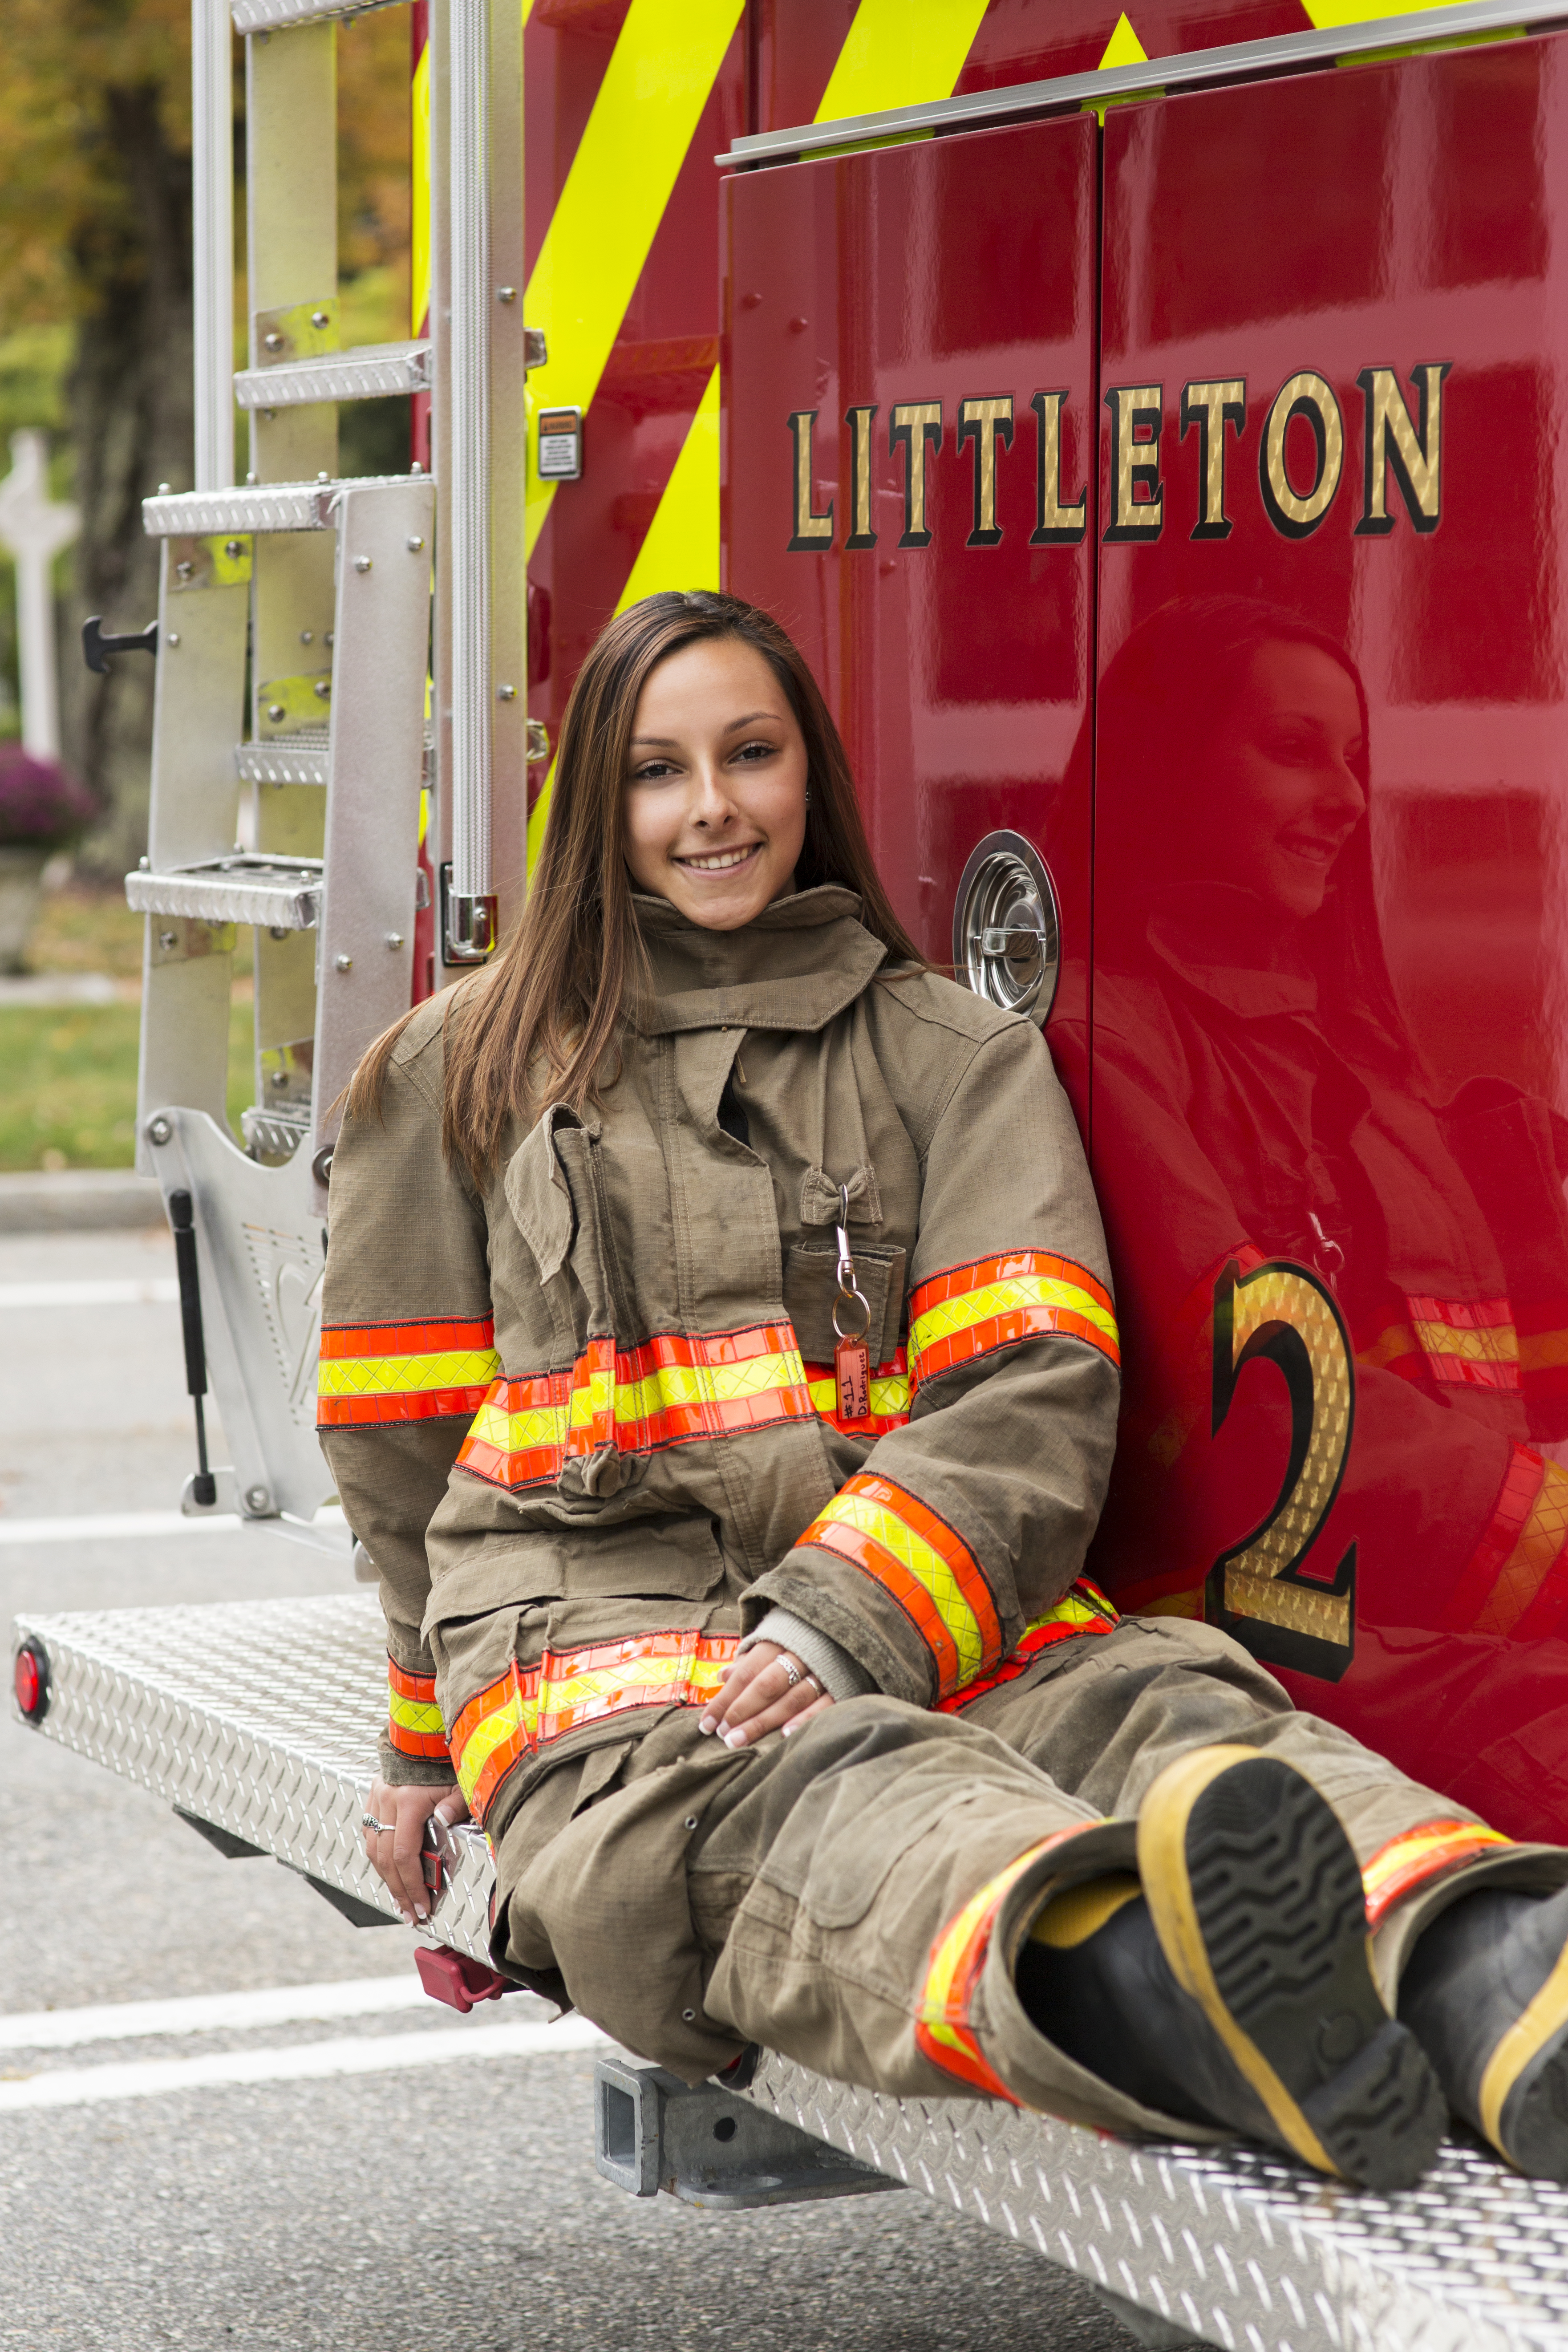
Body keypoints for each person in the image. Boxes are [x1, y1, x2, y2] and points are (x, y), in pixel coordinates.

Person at [322, 589, 1568, 2194]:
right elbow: (403, 1461)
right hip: (614, 1675)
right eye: (659, 769)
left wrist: (846, 1614)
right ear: (601, 810)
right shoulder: (455, 1066)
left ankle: (1504, 1982)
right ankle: (1191, 2006)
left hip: (939, 1604)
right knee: (863, 1812)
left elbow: (1027, 1388)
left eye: (750, 755)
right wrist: (425, 1749)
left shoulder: (952, 1053)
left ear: (807, 773)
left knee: (1169, 1713)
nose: (712, 807)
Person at [1048, 598, 1568, 1839]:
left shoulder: (1349, 1059)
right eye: (1293, 750)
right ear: (1167, 768)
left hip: (1415, 1607)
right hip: (1257, 1632)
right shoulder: (1098, 1039)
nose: (1344, 800)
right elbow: (1248, 1393)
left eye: (1353, 761)